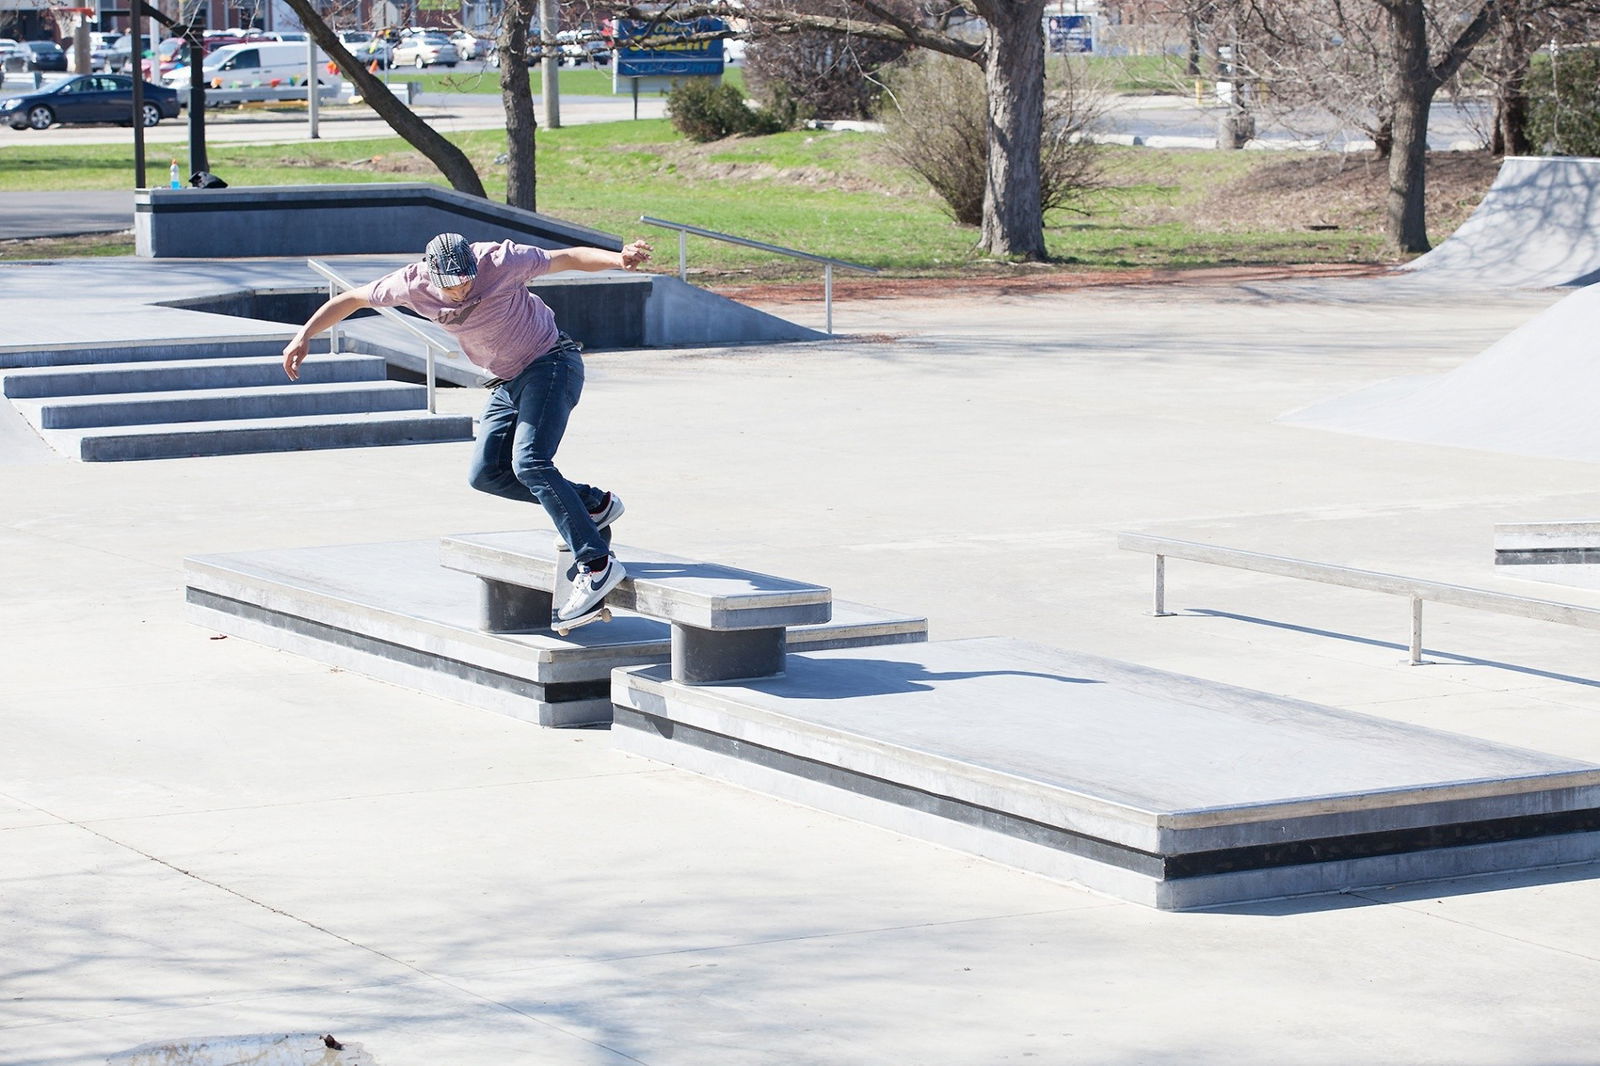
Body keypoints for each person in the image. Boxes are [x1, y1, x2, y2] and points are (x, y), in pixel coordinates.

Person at [281, 231, 653, 626]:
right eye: (451, 287)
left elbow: (566, 257)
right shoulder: (410, 283)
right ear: (432, 276)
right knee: (486, 474)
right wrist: (303, 336)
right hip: (506, 382)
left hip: (551, 363)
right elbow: (350, 299)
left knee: (530, 462)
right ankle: (591, 504)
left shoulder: (500, 261)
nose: (460, 293)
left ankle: (596, 564)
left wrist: (618, 259)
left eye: (466, 282)